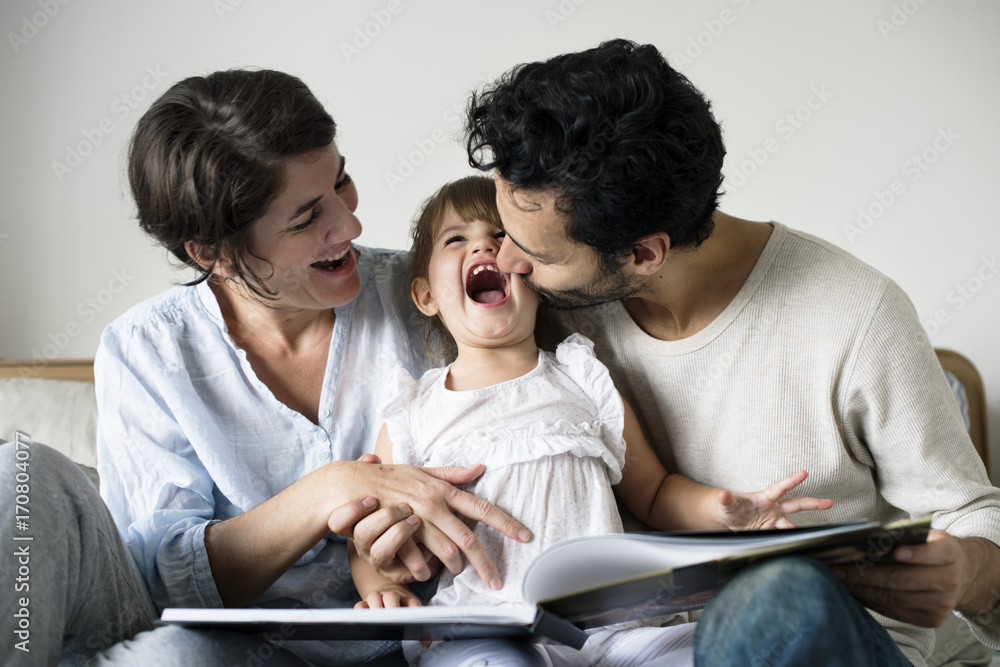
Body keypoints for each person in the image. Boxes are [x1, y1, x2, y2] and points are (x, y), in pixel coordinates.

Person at [447, 38, 1000, 666]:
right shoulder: (536, 317)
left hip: (835, 645)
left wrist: (964, 567)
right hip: (636, 650)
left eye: (538, 255)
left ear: (644, 254)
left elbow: (973, 513)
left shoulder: (857, 314)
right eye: (502, 233)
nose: (508, 264)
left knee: (772, 594)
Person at [0, 69, 533, 666]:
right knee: (16, 474)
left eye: (343, 181)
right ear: (213, 253)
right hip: (225, 647)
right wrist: (331, 488)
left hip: (421, 635)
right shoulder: (145, 349)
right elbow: (159, 585)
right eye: (306, 219)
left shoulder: (432, 295)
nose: (351, 227)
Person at [348, 175, 834, 666]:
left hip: (614, 623)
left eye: (502, 237)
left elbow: (656, 492)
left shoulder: (582, 377)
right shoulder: (412, 411)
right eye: (458, 239)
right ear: (426, 295)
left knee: (705, 654)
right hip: (486, 624)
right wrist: (382, 588)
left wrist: (725, 510)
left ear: (530, 272)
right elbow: (370, 534)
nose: (485, 248)